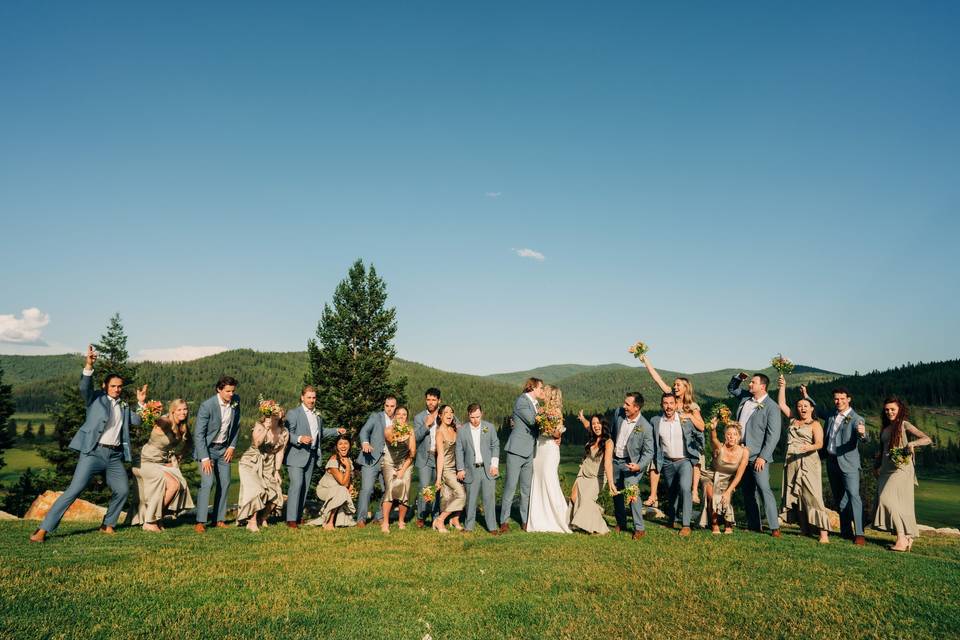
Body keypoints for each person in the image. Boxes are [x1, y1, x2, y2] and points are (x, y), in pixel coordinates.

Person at [31, 345, 146, 542]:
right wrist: (89, 365)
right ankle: (43, 530)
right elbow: (84, 387)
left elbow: (137, 421)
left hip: (114, 456)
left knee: (122, 490)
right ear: (105, 386)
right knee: (73, 491)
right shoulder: (95, 399)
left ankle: (107, 524)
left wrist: (142, 403)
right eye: (113, 386)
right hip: (93, 452)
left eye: (119, 386)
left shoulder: (125, 405)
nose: (117, 389)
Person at [803, 385, 868, 545]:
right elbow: (816, 409)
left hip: (849, 464)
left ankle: (859, 533)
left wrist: (862, 433)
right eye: (836, 399)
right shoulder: (831, 415)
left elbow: (864, 438)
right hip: (832, 462)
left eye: (842, 399)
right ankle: (845, 531)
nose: (838, 402)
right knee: (840, 499)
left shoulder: (857, 418)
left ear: (849, 399)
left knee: (853, 496)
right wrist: (806, 395)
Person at [638, 355, 705, 505]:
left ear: (686, 388)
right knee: (655, 458)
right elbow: (657, 379)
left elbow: (701, 426)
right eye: (674, 385)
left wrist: (688, 415)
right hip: (668, 440)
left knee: (697, 456)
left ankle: (694, 491)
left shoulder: (692, 406)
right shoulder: (669, 396)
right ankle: (653, 495)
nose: (674, 387)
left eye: (678, 385)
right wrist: (645, 360)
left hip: (687, 442)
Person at [776, 375, 832, 543]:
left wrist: (808, 447)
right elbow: (781, 404)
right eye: (799, 406)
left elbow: (820, 444)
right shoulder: (793, 419)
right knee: (797, 494)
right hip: (792, 461)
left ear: (811, 408)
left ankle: (823, 534)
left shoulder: (815, 424)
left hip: (808, 462)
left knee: (813, 495)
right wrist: (782, 386)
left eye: (805, 406)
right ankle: (804, 529)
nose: (802, 408)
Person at [873, 397, 932, 552]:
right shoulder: (885, 428)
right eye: (887, 410)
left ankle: (902, 539)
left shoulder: (904, 424)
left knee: (885, 499)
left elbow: (926, 439)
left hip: (901, 467)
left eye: (892, 409)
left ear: (899, 409)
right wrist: (876, 466)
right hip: (886, 469)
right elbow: (883, 450)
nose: (889, 412)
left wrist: (912, 443)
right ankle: (906, 537)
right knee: (895, 503)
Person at [727, 372, 782, 537]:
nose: (750, 385)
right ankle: (754, 525)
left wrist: (763, 457)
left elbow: (773, 435)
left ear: (762, 386)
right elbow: (731, 388)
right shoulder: (745, 398)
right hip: (740, 453)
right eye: (750, 382)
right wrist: (738, 377)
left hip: (758, 456)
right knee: (748, 491)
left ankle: (774, 527)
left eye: (753, 382)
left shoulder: (772, 407)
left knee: (764, 489)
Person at [284, 385, 343, 528]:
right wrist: (299, 439)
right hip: (295, 456)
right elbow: (285, 433)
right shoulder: (293, 413)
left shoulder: (317, 416)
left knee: (304, 487)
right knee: (296, 485)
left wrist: (336, 431)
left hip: (311, 456)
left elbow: (320, 433)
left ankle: (297, 517)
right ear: (302, 397)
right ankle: (290, 519)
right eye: (309, 397)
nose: (311, 400)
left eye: (314, 397)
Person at [131, 398, 194, 531]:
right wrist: (146, 408)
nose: (183, 412)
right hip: (145, 462)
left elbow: (189, 443)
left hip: (160, 463)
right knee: (173, 484)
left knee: (180, 484)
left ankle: (156, 518)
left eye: (185, 409)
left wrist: (179, 455)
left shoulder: (183, 426)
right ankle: (150, 521)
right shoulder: (166, 422)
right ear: (172, 411)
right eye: (179, 410)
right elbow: (158, 421)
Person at [193, 375, 241, 533]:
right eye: (227, 391)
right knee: (208, 483)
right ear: (219, 390)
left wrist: (232, 446)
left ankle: (218, 519)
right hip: (207, 450)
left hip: (224, 450)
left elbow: (236, 426)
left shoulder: (236, 402)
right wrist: (205, 457)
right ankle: (200, 521)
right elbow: (199, 434)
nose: (231, 394)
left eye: (233, 391)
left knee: (226, 483)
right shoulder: (207, 406)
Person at [651, 393, 702, 536]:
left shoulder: (684, 419)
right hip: (667, 462)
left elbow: (699, 432)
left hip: (684, 461)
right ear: (662, 405)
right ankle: (671, 520)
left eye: (671, 403)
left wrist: (699, 449)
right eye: (665, 403)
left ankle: (686, 525)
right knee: (672, 492)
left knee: (685, 489)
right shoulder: (656, 421)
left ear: (676, 404)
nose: (668, 406)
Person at [499, 378, 546, 532]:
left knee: (526, 489)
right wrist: (549, 415)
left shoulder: (536, 404)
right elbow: (533, 421)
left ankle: (525, 520)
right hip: (516, 451)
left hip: (529, 451)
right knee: (511, 487)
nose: (542, 391)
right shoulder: (522, 401)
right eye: (540, 388)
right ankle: (504, 521)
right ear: (532, 387)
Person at [609, 392, 655, 539]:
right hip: (616, 460)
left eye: (627, 404)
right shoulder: (619, 413)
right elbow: (612, 432)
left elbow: (649, 452)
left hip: (632, 464)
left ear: (636, 407)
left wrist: (639, 466)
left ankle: (639, 528)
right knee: (615, 492)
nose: (624, 406)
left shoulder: (646, 427)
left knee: (631, 491)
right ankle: (621, 522)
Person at [527, 385, 572, 533]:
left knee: (549, 479)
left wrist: (550, 428)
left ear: (551, 395)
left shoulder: (556, 412)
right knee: (538, 479)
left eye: (545, 392)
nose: (542, 393)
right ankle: (538, 519)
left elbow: (557, 434)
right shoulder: (540, 410)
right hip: (540, 448)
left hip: (550, 449)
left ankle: (559, 518)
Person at [237, 409, 289, 532]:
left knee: (276, 492)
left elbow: (280, 452)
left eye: (279, 413)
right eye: (273, 414)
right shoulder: (259, 426)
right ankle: (252, 521)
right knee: (257, 490)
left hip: (269, 464)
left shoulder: (284, 432)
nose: (276, 415)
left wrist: (276, 471)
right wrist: (266, 428)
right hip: (252, 461)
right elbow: (256, 443)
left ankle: (262, 518)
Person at [455, 404, 500, 534]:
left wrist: (494, 465)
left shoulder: (489, 427)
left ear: (482, 414)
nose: (475, 420)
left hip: (488, 469)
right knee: (471, 499)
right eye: (472, 417)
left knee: (489, 499)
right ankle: (469, 527)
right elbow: (459, 450)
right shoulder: (462, 430)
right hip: (471, 469)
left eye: (478, 417)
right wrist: (461, 468)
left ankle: (492, 527)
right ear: (468, 415)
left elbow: (495, 445)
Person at [570, 411, 616, 534]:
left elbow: (607, 463)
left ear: (604, 424)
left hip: (597, 477)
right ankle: (594, 510)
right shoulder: (593, 435)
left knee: (586, 501)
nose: (596, 426)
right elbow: (587, 425)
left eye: (598, 423)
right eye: (594, 424)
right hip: (583, 472)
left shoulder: (608, 442)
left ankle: (600, 528)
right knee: (574, 498)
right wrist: (583, 418)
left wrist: (611, 483)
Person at [355, 396, 397, 527]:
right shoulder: (375, 417)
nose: (389, 409)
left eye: (392, 406)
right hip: (371, 458)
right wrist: (365, 443)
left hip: (389, 461)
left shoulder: (399, 421)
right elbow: (364, 431)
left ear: (396, 407)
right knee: (367, 489)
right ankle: (361, 519)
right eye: (387, 406)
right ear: (384, 406)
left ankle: (379, 516)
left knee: (388, 489)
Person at [702, 419, 749, 534]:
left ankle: (728, 522)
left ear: (739, 437)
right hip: (711, 475)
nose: (731, 437)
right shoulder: (720, 447)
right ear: (725, 436)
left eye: (734, 434)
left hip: (729, 479)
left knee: (725, 496)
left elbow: (739, 476)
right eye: (728, 434)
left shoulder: (744, 452)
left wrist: (728, 492)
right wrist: (713, 429)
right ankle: (714, 523)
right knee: (712, 496)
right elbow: (713, 439)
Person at [380, 406, 416, 533]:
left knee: (404, 489)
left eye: (404, 414)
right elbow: (391, 440)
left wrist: (402, 470)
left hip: (406, 462)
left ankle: (401, 521)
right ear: (394, 416)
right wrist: (401, 433)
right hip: (390, 462)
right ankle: (385, 522)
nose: (401, 416)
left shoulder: (411, 430)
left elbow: (412, 453)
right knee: (391, 488)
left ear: (407, 417)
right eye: (399, 414)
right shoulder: (388, 429)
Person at [310, 435, 357, 529]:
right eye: (340, 444)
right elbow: (343, 483)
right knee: (341, 490)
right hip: (325, 489)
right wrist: (347, 467)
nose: (343, 446)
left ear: (350, 445)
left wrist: (351, 486)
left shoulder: (348, 460)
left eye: (346, 443)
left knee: (342, 491)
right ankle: (329, 522)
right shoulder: (333, 460)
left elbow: (349, 479)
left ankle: (334, 520)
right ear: (336, 447)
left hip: (338, 490)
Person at [433, 404, 465, 532]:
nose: (450, 414)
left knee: (457, 493)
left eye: (451, 412)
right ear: (440, 416)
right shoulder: (439, 433)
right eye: (446, 412)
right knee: (461, 494)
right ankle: (440, 520)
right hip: (446, 469)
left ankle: (455, 519)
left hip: (457, 467)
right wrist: (438, 478)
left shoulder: (455, 430)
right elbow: (440, 456)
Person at [413, 388, 442, 528]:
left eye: (433, 400)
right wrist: (426, 425)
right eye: (428, 400)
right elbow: (415, 438)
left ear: (439, 401)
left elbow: (457, 428)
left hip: (440, 457)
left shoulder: (445, 414)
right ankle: (421, 516)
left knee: (438, 487)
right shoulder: (419, 417)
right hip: (425, 456)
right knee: (424, 487)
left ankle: (436, 517)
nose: (430, 403)